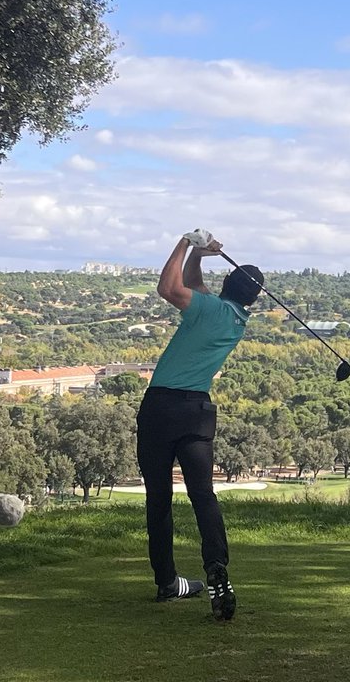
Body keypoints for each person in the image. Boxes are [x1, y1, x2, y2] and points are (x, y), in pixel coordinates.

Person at [136, 230, 263, 620]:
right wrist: (202, 256)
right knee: (202, 495)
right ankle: (216, 567)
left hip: (160, 408)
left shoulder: (209, 309)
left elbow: (168, 287)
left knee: (159, 500)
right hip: (197, 412)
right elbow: (192, 283)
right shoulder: (234, 317)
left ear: (227, 284)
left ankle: (168, 582)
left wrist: (184, 242)